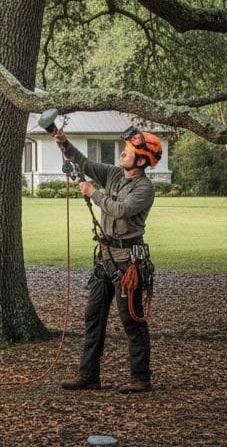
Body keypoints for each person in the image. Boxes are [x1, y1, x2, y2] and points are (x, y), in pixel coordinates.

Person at [54, 125, 162, 394]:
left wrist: (94, 193)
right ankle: (88, 375)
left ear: (141, 160)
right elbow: (85, 163)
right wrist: (64, 142)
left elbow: (121, 210)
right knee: (94, 317)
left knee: (132, 320)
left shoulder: (144, 188)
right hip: (105, 259)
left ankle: (141, 378)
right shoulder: (113, 174)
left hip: (128, 264)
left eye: (129, 152)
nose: (122, 154)